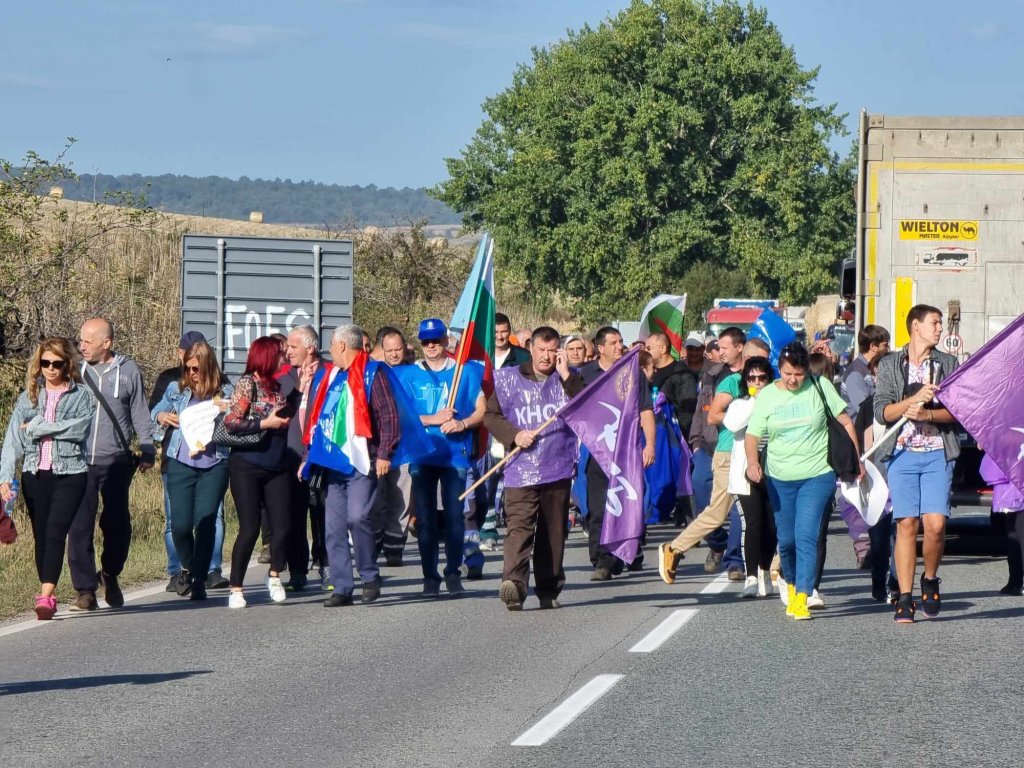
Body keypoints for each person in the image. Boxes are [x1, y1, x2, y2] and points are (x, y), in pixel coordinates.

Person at [743, 343, 861, 621]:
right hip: (779, 477)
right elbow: (753, 434)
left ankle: (802, 595)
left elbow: (845, 422)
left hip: (817, 474)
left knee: (807, 534)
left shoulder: (820, 386)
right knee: (786, 540)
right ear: (779, 370)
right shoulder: (768, 395)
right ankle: (793, 581)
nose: (793, 379)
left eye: (799, 373)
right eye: (787, 373)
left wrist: (857, 461)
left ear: (806, 369)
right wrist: (752, 462)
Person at [484, 327, 585, 610]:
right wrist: (514, 434)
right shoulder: (507, 379)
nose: (547, 356)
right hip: (520, 467)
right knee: (519, 526)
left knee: (553, 531)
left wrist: (566, 375)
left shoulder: (569, 378)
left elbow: (585, 406)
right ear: (531, 348)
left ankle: (548, 588)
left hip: (558, 466)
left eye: (553, 351)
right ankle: (514, 585)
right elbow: (491, 416)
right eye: (542, 350)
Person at [873, 304, 959, 623]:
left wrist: (929, 414)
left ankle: (931, 579)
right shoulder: (890, 364)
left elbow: (958, 412)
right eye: (934, 323)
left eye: (939, 323)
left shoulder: (947, 363)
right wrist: (912, 401)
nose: (939, 328)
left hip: (937, 450)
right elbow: (882, 412)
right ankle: (905, 597)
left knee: (936, 525)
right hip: (902, 453)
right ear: (916, 327)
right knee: (906, 524)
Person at [303, 325, 400, 607]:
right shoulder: (331, 375)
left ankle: (369, 576)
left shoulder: (373, 373)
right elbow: (319, 420)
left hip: (362, 460)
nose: (330, 349)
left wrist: (385, 453)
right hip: (334, 463)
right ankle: (342, 586)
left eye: (332, 343)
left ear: (343, 345)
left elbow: (389, 416)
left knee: (357, 517)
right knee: (333, 527)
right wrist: (309, 456)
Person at [0, 338, 95, 619]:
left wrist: (39, 427)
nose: (50, 369)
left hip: (70, 473)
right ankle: (45, 587)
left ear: (68, 364)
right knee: (42, 536)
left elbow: (79, 429)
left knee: (55, 531)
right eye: (45, 363)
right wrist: (5, 476)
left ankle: (46, 596)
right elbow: (13, 439)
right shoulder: (29, 396)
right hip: (34, 473)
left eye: (56, 363)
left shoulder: (82, 395)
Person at [68, 317, 156, 612]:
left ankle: (110, 573)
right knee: (79, 526)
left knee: (117, 523)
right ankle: (85, 590)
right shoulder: (74, 371)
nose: (81, 347)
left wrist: (147, 448)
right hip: (78, 461)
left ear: (107, 343)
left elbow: (140, 412)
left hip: (116, 460)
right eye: (80, 341)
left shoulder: (128, 371)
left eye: (87, 341)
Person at [658, 328, 748, 584]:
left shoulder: (758, 373)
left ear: (740, 347)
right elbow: (706, 413)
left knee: (748, 512)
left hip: (751, 452)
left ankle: (742, 563)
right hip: (717, 447)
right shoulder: (718, 377)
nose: (720, 352)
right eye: (718, 348)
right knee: (714, 509)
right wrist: (696, 442)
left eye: (725, 347)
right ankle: (676, 548)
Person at [404, 318, 486, 596]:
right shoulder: (409, 374)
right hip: (422, 454)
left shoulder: (464, 372)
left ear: (445, 341)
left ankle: (453, 571)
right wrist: (433, 419)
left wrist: (462, 424)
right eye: (425, 341)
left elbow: (481, 410)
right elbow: (400, 415)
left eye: (436, 340)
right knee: (425, 519)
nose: (430, 346)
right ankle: (430, 576)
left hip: (454, 456)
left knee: (454, 516)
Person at [151, 340, 233, 601]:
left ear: (208, 366)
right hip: (180, 462)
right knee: (181, 524)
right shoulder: (177, 389)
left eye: (196, 368)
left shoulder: (225, 390)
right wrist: (161, 417)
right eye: (187, 368)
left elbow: (243, 416)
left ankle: (199, 578)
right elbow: (156, 410)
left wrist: (229, 409)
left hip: (214, 463)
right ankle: (188, 565)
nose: (191, 374)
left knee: (206, 521)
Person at [223, 336, 295, 609]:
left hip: (277, 464)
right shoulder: (247, 384)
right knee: (250, 528)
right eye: (280, 353)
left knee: (282, 527)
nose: (284, 357)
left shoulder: (277, 386)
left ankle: (275, 575)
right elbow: (232, 422)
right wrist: (266, 422)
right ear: (266, 356)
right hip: (247, 465)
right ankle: (236, 587)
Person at [580, 327, 656, 579]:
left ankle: (626, 551)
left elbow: (646, 410)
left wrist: (650, 444)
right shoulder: (587, 374)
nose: (619, 346)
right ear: (600, 348)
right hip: (598, 450)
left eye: (621, 341)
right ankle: (601, 560)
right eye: (613, 342)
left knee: (626, 503)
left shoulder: (634, 373)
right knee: (598, 507)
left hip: (627, 452)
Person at [722, 356, 777, 598]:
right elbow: (733, 424)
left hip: (775, 472)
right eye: (751, 378)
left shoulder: (779, 403)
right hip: (746, 475)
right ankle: (751, 576)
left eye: (762, 378)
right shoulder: (740, 404)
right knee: (752, 525)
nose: (757, 382)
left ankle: (766, 570)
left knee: (772, 527)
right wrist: (757, 400)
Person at [286, 325, 329, 586]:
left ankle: (328, 566)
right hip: (291, 457)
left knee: (324, 514)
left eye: (293, 347)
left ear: (310, 348)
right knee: (293, 514)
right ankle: (297, 572)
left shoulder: (331, 373)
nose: (287, 351)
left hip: (322, 456)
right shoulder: (285, 377)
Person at [369, 327, 414, 567]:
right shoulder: (375, 373)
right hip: (379, 445)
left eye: (398, 349)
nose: (395, 354)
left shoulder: (414, 373)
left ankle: (395, 546)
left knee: (402, 497)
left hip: (406, 447)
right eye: (390, 350)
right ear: (381, 350)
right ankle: (375, 542)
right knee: (378, 497)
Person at [979, 455, 1024, 596]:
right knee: (1013, 528)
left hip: (1013, 461)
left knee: (1018, 528)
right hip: (1009, 464)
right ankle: (1015, 579)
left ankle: (1016, 581)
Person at [841, 325, 891, 419]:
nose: (887, 348)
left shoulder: (873, 368)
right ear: (873, 347)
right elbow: (864, 410)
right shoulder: (855, 373)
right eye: (885, 345)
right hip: (861, 430)